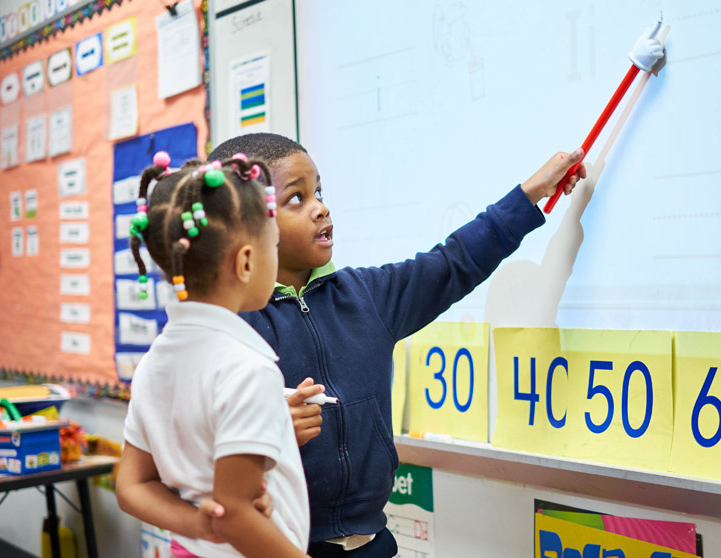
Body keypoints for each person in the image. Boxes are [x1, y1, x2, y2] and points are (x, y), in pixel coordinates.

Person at [208, 133, 587, 557]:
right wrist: (267, 431)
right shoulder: (231, 324)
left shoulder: (366, 295)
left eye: (319, 191)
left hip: (374, 544)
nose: (321, 207)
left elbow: (453, 262)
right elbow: (196, 445)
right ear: (247, 224)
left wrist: (531, 192)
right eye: (297, 199)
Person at [116, 151, 310, 558]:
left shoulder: (154, 361)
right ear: (245, 262)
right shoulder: (248, 369)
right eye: (272, 245)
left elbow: (132, 486)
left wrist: (197, 523)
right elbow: (235, 513)